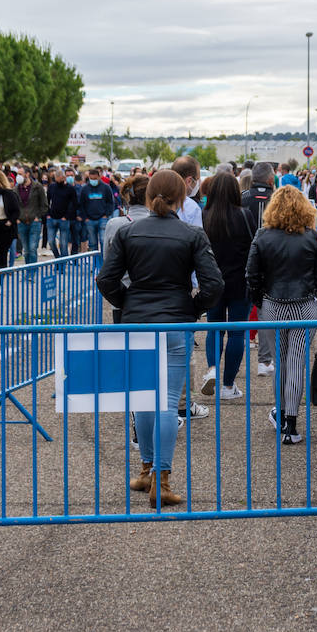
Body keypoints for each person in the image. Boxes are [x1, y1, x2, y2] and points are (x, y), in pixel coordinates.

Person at [97, 170, 223, 508]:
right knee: (167, 401)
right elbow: (214, 285)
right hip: (174, 323)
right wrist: (191, 309)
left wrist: (129, 304)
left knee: (142, 397)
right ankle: (161, 481)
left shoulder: (128, 231)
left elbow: (106, 279)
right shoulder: (192, 234)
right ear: (183, 197)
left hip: (137, 323)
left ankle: (146, 470)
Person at [245, 186, 317, 446]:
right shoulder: (313, 237)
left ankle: (281, 414)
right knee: (296, 363)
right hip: (305, 306)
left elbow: (251, 275)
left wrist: (260, 301)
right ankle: (291, 424)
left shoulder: (262, 235)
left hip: (273, 304)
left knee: (280, 363)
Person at [199, 172, 258, 401]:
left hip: (212, 281)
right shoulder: (245, 215)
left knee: (214, 328)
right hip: (239, 282)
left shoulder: (204, 216)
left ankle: (212, 368)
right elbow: (254, 245)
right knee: (236, 333)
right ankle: (228, 385)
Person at [103, 174, 152, 324]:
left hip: (122, 299)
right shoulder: (162, 224)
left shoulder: (114, 224)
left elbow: (108, 261)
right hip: (152, 299)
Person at [77, 167, 116, 254]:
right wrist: (85, 217)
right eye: (91, 179)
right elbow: (81, 204)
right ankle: (96, 263)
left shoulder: (106, 188)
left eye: (95, 178)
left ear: (99, 177)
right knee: (93, 243)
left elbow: (111, 202)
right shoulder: (84, 189)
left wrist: (107, 214)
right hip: (89, 219)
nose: (93, 180)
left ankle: (103, 262)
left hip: (102, 218)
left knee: (103, 240)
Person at [12, 166, 47, 265]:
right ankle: (28, 269)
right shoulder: (16, 189)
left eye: (20, 174)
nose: (18, 176)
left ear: (27, 174)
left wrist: (38, 217)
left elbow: (44, 205)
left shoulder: (37, 187)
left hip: (34, 222)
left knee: (32, 248)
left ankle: (32, 271)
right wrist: (17, 218)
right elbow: (14, 206)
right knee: (26, 250)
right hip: (21, 222)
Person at [45, 167, 75, 260]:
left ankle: (63, 262)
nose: (59, 180)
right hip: (52, 218)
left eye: (61, 178)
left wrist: (67, 216)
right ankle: (58, 258)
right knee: (51, 241)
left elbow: (73, 204)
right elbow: (47, 201)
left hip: (64, 219)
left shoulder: (70, 189)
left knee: (63, 243)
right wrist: (48, 214)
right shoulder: (52, 187)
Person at [172, 156, 203, 227]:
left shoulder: (157, 199)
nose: (199, 183)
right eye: (198, 179)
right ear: (189, 181)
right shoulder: (192, 208)